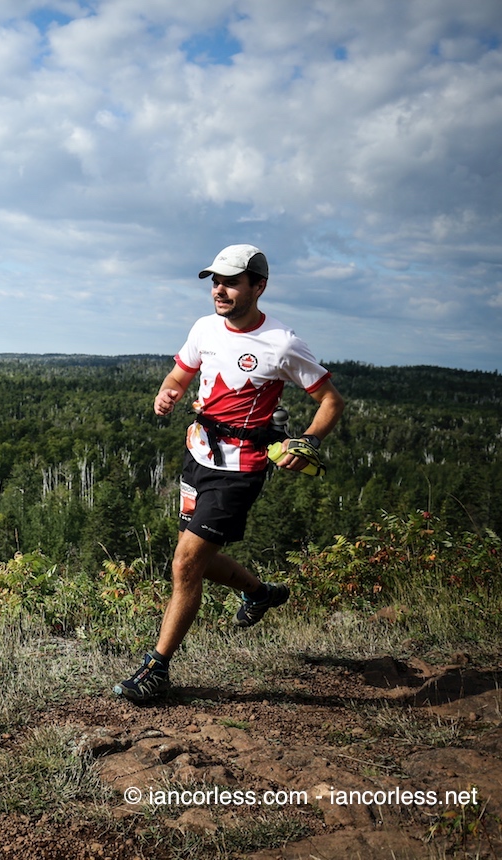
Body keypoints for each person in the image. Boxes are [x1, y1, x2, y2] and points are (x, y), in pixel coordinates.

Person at [113, 244, 345, 703]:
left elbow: (331, 401)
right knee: (194, 556)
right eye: (215, 281)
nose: (219, 290)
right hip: (197, 455)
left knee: (185, 564)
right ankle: (259, 593)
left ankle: (157, 669)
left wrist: (308, 441)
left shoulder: (281, 343)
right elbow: (178, 377)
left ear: (259, 286)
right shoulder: (204, 328)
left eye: (231, 282)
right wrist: (166, 394)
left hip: (241, 470)